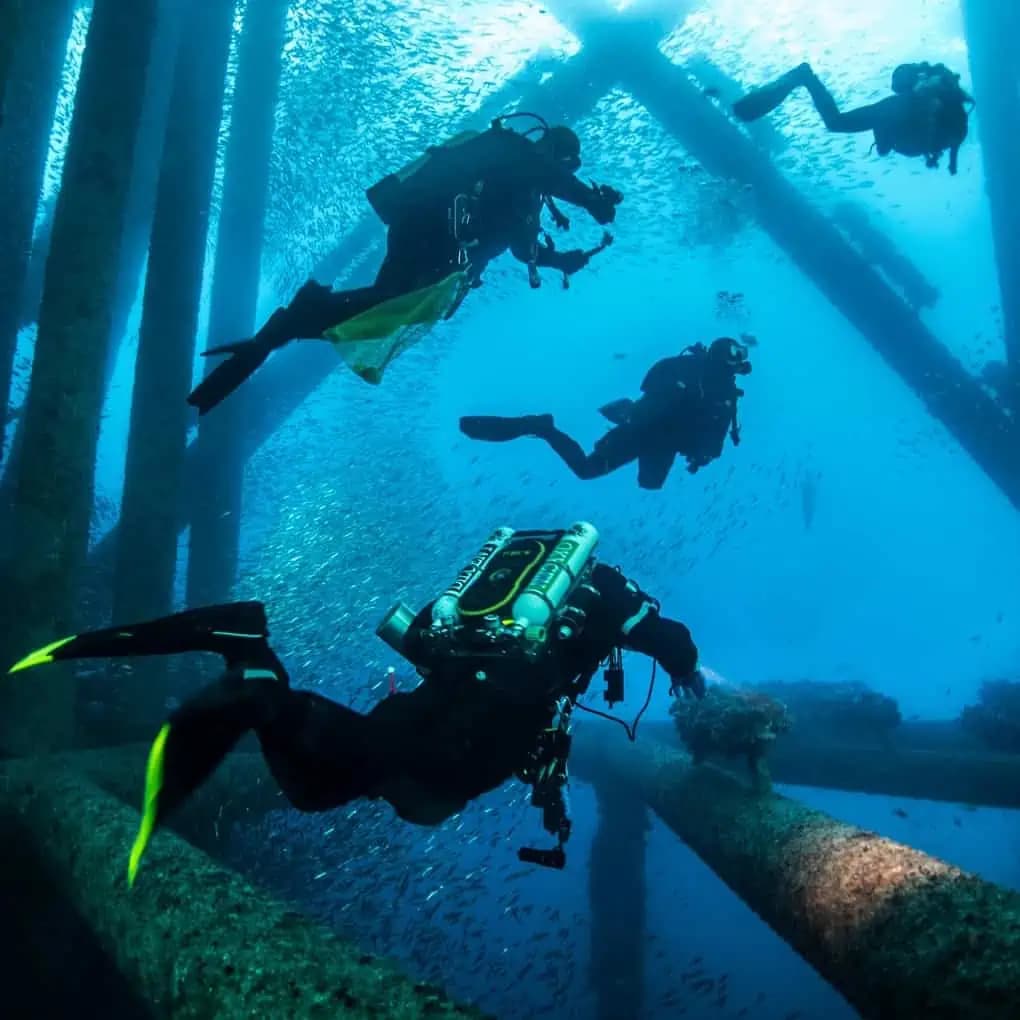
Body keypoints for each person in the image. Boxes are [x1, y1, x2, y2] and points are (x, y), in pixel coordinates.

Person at [8, 521, 704, 884]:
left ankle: (256, 670)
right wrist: (693, 679)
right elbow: (672, 641)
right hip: (466, 741)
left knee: (326, 787)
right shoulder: (611, 598)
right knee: (401, 781)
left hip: (425, 711)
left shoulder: (512, 586)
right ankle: (259, 677)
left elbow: (433, 623)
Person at [187, 114, 623, 415]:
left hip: (428, 237)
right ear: (549, 148)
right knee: (387, 307)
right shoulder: (514, 154)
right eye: (565, 161)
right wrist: (589, 200)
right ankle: (296, 318)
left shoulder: (525, 189)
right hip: (431, 229)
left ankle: (288, 326)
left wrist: (559, 259)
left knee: (381, 315)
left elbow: (522, 248)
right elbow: (541, 176)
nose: (565, 170)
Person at [460, 337, 752, 490]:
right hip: (641, 431)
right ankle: (542, 427)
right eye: (737, 354)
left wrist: (701, 454)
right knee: (587, 470)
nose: (741, 361)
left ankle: (544, 427)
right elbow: (652, 388)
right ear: (721, 356)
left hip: (663, 442)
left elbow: (716, 439)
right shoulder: (691, 371)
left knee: (649, 485)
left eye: (742, 356)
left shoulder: (726, 395)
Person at [732, 61, 973, 175]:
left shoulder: (908, 104)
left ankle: (806, 77)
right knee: (837, 124)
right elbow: (886, 149)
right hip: (908, 123)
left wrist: (883, 129)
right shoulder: (952, 118)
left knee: (835, 122)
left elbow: (884, 147)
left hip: (903, 115)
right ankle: (805, 77)